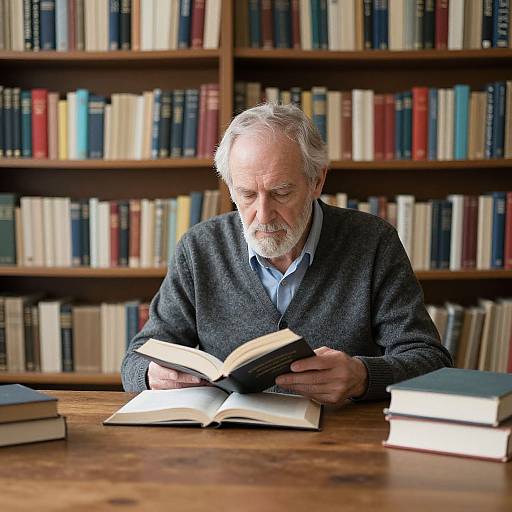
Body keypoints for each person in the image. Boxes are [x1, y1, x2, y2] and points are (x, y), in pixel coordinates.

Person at [121, 102, 452, 403]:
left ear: (317, 181)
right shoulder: (200, 248)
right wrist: (151, 375)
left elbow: (430, 360)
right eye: (247, 195)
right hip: (230, 448)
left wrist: (363, 377)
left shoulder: (373, 242)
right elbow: (136, 359)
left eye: (280, 193)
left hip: (341, 447)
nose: (263, 216)